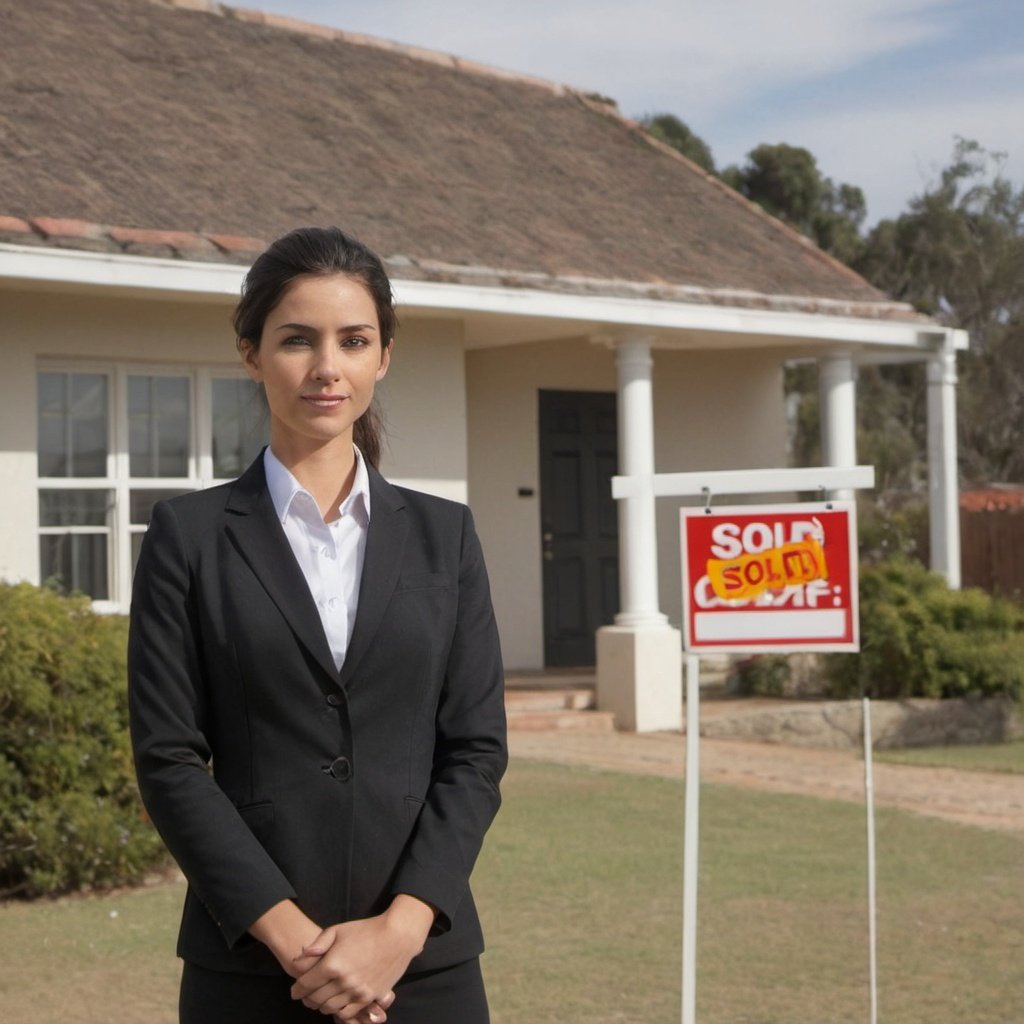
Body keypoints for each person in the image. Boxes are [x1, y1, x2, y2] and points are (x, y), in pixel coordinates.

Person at [128, 226, 507, 1024]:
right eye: (297, 339)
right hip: (253, 969)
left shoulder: (448, 536)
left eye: (353, 340)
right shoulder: (187, 538)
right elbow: (167, 759)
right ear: (250, 352)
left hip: (424, 967)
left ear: (385, 355)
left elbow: (474, 751)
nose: (327, 368)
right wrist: (300, 944)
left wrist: (398, 933)